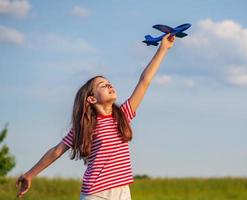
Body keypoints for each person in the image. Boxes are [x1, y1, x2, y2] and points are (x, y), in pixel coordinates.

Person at [16, 33, 175, 200]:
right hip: (96, 193)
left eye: (109, 82)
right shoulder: (86, 126)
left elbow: (144, 81)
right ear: (91, 99)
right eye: (102, 85)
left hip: (123, 192)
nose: (109, 85)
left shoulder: (123, 114)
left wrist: (163, 48)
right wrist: (30, 174)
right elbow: (56, 151)